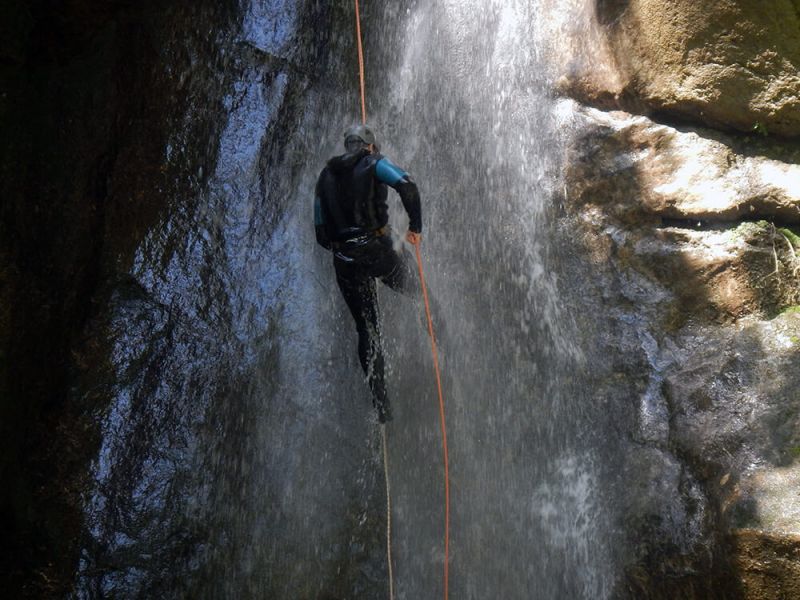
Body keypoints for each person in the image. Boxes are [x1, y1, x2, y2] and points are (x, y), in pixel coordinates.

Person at [314, 124, 422, 423]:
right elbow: (407, 184)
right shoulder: (375, 163)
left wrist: (349, 249)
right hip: (378, 251)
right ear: (370, 146)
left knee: (367, 329)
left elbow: (321, 234)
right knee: (422, 294)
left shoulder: (324, 176)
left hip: (345, 260)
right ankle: (447, 346)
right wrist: (415, 227)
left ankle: (381, 404)